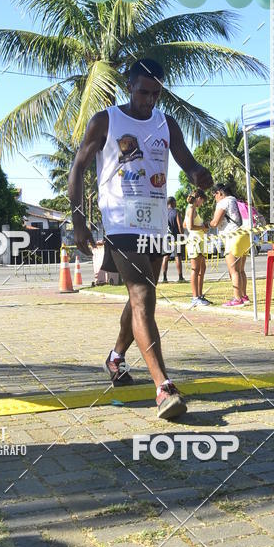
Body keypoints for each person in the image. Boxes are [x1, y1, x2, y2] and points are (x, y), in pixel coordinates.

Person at [68, 58, 213, 420]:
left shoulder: (167, 123)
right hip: (120, 220)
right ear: (128, 87)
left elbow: (187, 161)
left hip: (156, 223)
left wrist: (199, 174)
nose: (149, 99)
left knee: (141, 298)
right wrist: (79, 219)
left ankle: (115, 358)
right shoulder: (107, 120)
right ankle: (163, 387)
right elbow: (79, 167)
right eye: (143, 91)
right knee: (143, 296)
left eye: (155, 93)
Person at [208, 182, 251, 307]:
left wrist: (208, 224)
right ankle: (244, 296)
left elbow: (215, 222)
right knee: (241, 270)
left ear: (219, 193)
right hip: (244, 235)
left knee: (233, 271)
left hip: (232, 237)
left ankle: (237, 299)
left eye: (214, 195)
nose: (214, 198)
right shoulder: (236, 200)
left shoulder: (223, 202)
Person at [184, 189, 213, 306]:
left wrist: (202, 227)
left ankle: (200, 295)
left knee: (202, 268)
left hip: (200, 240)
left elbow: (184, 224)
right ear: (199, 198)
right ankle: (195, 297)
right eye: (202, 201)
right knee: (195, 269)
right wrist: (202, 227)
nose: (202, 204)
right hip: (195, 241)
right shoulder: (191, 208)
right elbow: (190, 227)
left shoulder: (193, 209)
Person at [162, 197, 185, 283]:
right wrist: (182, 235)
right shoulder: (176, 212)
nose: (176, 203)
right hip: (175, 237)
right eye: (175, 202)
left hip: (166, 237)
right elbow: (180, 225)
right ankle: (180, 277)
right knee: (177, 256)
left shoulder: (164, 213)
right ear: (172, 203)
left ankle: (164, 278)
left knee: (166, 256)